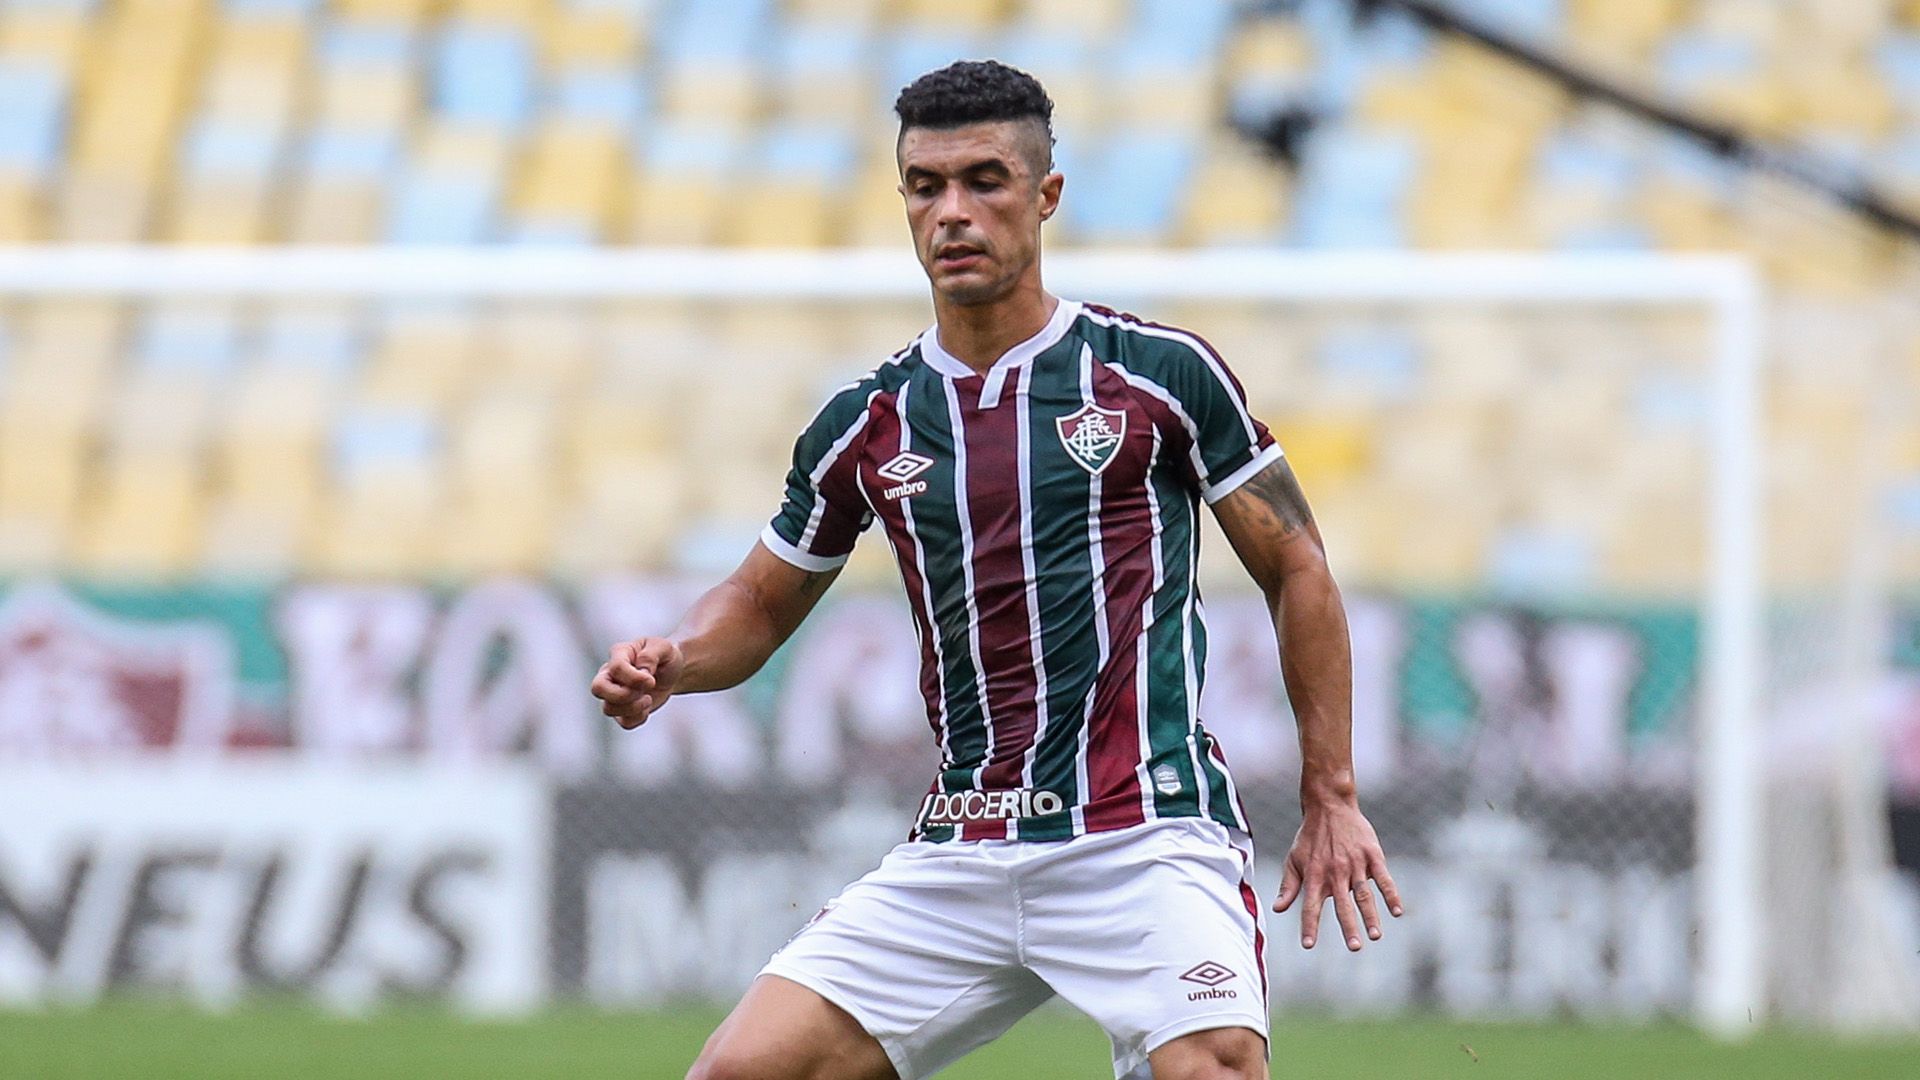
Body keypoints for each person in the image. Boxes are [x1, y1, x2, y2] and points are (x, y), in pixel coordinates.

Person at [591, 59, 1401, 1080]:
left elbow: (1298, 565)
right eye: (926, 187)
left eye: (985, 180)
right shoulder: (867, 423)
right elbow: (759, 597)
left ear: (1045, 195)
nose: (953, 212)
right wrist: (676, 658)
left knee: (1214, 1067)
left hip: (1140, 832)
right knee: (739, 1074)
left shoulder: (1159, 374)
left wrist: (1331, 791)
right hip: (963, 846)